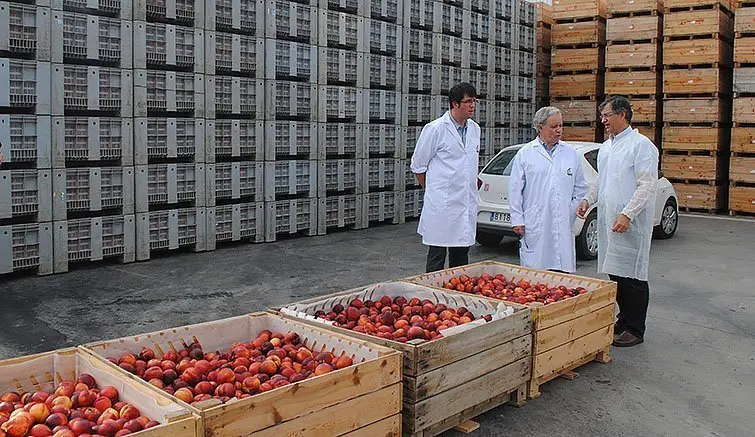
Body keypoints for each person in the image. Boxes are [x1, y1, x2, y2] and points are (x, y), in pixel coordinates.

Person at [577, 96, 659, 348]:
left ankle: (636, 328)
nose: (603, 121)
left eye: (607, 116)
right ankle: (623, 319)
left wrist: (628, 214)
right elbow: (600, 181)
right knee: (617, 275)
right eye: (602, 117)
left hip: (630, 223)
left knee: (633, 276)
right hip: (609, 222)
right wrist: (587, 199)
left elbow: (647, 185)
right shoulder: (607, 147)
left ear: (623, 115)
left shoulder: (641, 146)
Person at [508, 107, 588, 273]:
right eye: (554, 126)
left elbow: (580, 187)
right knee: (536, 276)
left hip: (563, 222)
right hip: (535, 221)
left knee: (562, 278)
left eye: (560, 125)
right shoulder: (525, 154)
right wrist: (517, 219)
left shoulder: (571, 154)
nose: (559, 130)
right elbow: (515, 190)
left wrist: (570, 210)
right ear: (540, 127)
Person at [411, 83, 481, 273]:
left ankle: (457, 296)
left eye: (474, 101)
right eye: (468, 102)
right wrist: (431, 189)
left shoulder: (475, 130)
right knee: (437, 256)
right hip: (442, 204)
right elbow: (418, 165)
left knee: (461, 257)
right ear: (455, 104)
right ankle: (433, 295)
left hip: (465, 202)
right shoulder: (435, 129)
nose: (472, 105)